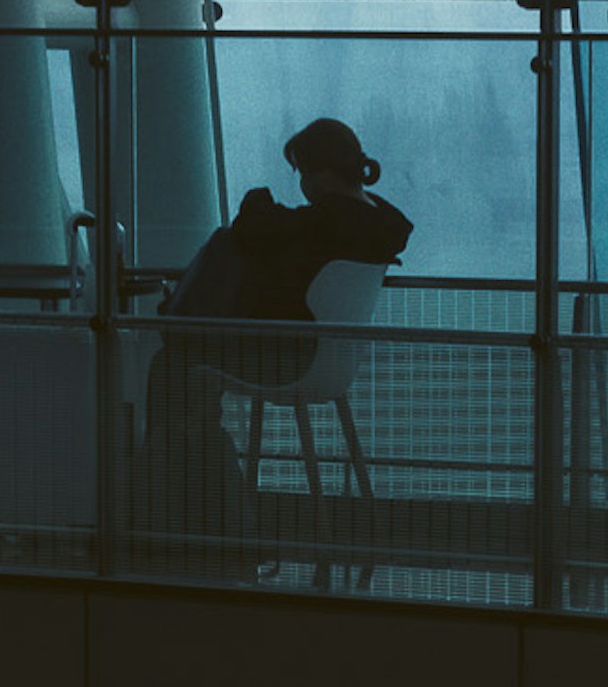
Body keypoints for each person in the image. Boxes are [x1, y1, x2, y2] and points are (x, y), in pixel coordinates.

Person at [141, 117, 415, 538]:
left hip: (291, 358)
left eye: (302, 171)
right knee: (191, 371)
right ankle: (206, 494)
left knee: (173, 363)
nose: (301, 183)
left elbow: (253, 225)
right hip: (333, 362)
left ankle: (186, 508)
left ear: (319, 173)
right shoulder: (380, 225)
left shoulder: (326, 221)